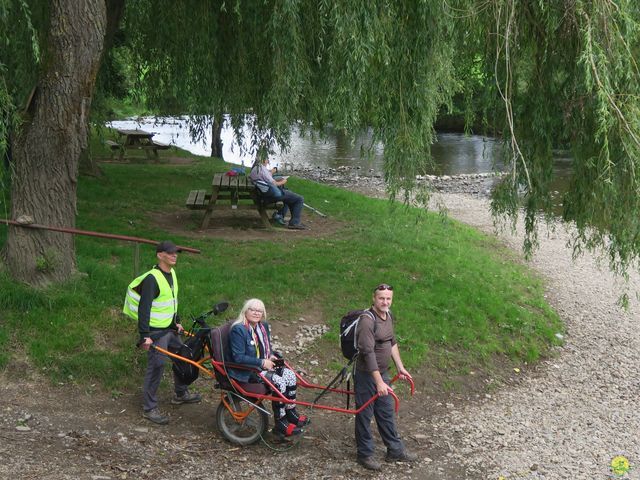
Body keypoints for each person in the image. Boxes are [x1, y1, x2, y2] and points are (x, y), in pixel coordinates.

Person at [123, 240, 201, 425]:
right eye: (171, 253)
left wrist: (177, 322)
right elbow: (145, 308)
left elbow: (172, 301)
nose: (175, 256)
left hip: (170, 328)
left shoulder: (172, 273)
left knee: (183, 357)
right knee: (157, 366)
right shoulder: (152, 278)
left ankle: (180, 393)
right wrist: (144, 336)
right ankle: (149, 408)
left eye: (176, 253)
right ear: (160, 255)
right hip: (156, 333)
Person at [354, 284, 418, 471]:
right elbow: (367, 352)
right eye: (381, 298)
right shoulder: (367, 320)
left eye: (388, 298)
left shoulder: (388, 315)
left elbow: (392, 342)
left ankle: (395, 450)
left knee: (386, 411)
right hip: (367, 375)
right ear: (374, 298)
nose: (385, 302)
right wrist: (378, 381)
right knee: (365, 415)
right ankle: (364, 454)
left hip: (383, 373)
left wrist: (400, 367)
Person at [228, 298, 310, 436]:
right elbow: (238, 357)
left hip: (261, 367)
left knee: (290, 375)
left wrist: (270, 356)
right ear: (245, 311)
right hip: (247, 371)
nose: (256, 313)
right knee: (279, 382)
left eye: (259, 310)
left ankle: (291, 412)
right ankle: (280, 422)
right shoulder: (239, 329)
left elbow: (266, 348)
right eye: (252, 310)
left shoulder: (262, 327)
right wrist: (261, 362)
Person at [249, 156, 307, 230]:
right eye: (267, 159)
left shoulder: (256, 168)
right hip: (270, 195)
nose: (268, 161)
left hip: (263, 194)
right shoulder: (262, 169)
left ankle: (279, 216)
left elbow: (265, 177)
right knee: (299, 199)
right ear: (263, 159)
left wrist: (272, 172)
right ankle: (294, 223)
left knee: (289, 195)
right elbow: (274, 184)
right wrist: (283, 181)